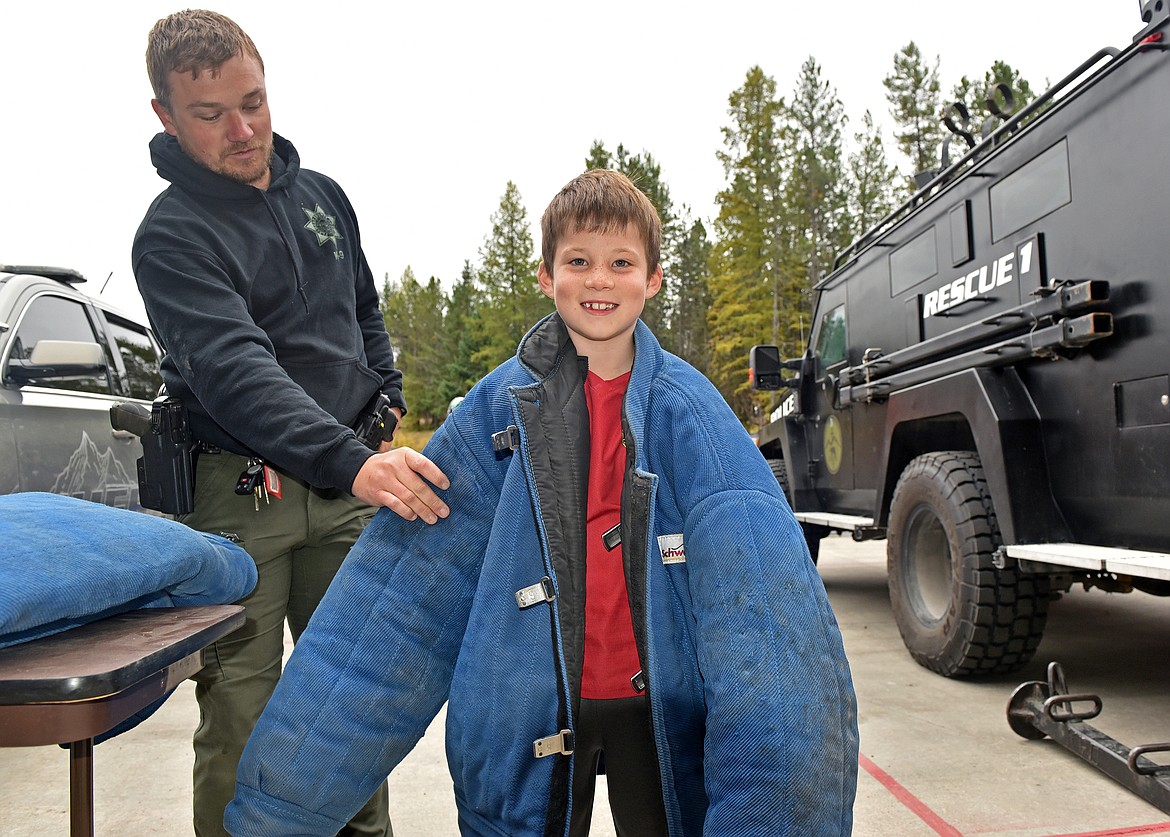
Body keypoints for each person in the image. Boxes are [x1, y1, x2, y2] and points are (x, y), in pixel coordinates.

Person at [224, 170, 859, 836]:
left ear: (654, 279)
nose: (599, 280)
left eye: (621, 263)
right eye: (578, 261)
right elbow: (393, 612)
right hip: (524, 716)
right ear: (545, 276)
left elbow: (769, 617)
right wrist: (277, 810)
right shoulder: (492, 414)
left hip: (661, 712)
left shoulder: (694, 416)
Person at [133, 10, 450, 836]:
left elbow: (363, 310)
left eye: (255, 102)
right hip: (243, 497)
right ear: (165, 115)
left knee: (353, 695)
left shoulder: (323, 197)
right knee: (244, 706)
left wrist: (384, 396)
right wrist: (351, 458)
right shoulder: (170, 237)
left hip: (349, 481)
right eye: (211, 115)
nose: (244, 130)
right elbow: (239, 375)